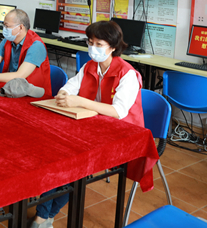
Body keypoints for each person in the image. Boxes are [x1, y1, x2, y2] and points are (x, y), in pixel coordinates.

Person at [28, 21, 144, 228]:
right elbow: (69, 87)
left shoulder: (127, 74)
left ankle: (43, 215)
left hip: (122, 135)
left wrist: (80, 101)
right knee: (58, 154)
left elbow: (118, 112)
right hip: (92, 126)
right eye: (90, 43)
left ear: (114, 47)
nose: (93, 48)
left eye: (99, 44)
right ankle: (44, 216)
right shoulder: (90, 66)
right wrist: (64, 94)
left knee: (69, 161)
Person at [0, 9, 51, 98]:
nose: (4, 29)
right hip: (12, 89)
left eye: (7, 26)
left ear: (21, 27)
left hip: (32, 95)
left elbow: (20, 75)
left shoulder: (36, 46)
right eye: (4, 25)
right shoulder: (7, 41)